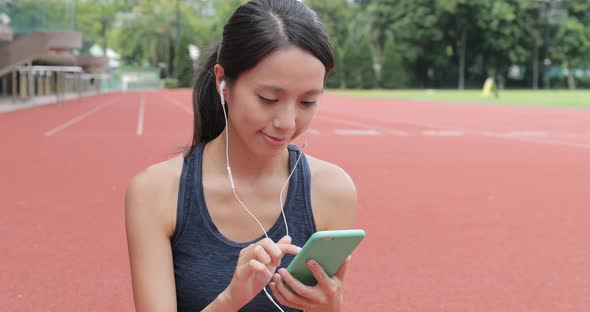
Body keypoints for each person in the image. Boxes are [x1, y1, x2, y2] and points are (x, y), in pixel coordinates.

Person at [125, 0, 357, 311]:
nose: (287, 123)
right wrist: (232, 299)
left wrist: (330, 308)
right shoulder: (156, 192)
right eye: (269, 98)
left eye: (307, 102)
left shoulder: (332, 191)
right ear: (223, 82)